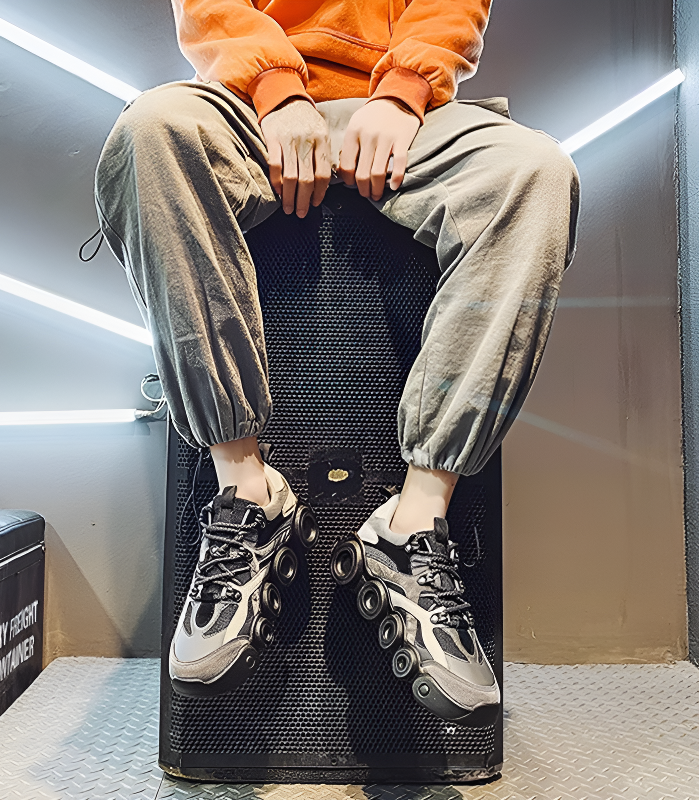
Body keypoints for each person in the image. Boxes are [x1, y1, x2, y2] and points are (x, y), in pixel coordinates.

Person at [94, 0, 580, 725]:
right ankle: (247, 497)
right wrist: (277, 89)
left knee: (537, 172)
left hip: (407, 116)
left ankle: (414, 524)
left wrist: (403, 92)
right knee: (151, 131)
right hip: (247, 108)